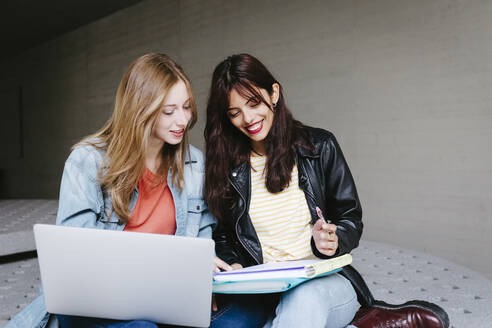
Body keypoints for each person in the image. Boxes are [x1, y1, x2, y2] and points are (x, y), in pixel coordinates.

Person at [204, 54, 449, 328]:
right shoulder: (228, 166)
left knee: (302, 304)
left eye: (253, 103)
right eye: (235, 112)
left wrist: (332, 241)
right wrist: (233, 264)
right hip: (261, 291)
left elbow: (350, 218)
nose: (248, 119)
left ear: (274, 93)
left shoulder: (319, 146)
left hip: (320, 284)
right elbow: (224, 233)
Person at [7, 53, 217, 328]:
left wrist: (206, 265)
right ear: (140, 109)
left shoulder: (194, 163)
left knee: (238, 317)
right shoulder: (88, 160)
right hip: (94, 299)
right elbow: (74, 259)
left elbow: (201, 237)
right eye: (168, 111)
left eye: (187, 107)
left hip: (161, 297)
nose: (182, 120)